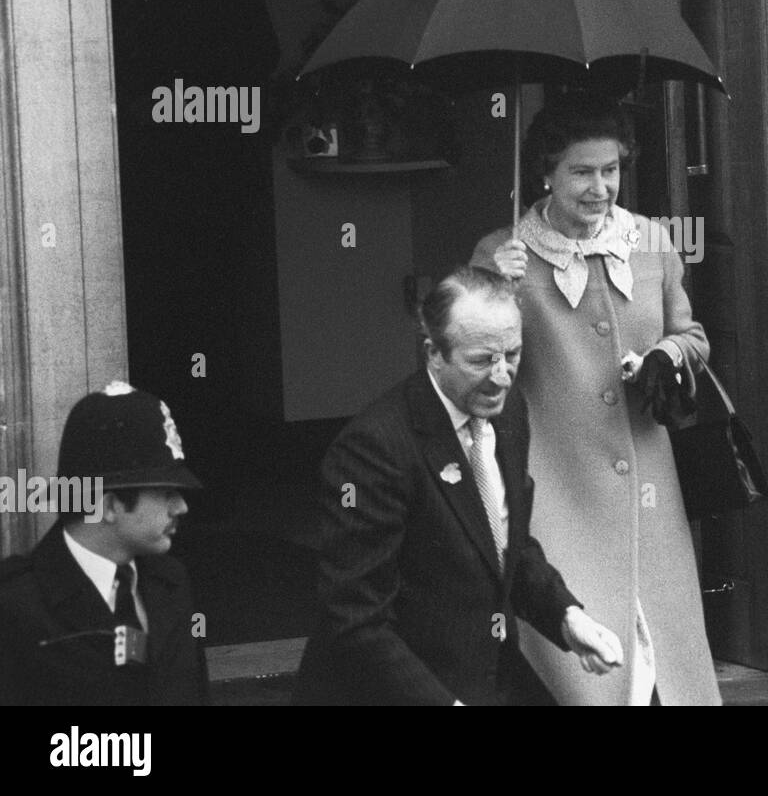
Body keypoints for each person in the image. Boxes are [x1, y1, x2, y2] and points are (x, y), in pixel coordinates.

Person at [473, 92, 722, 706]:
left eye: (610, 170)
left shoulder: (651, 241)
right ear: (546, 174)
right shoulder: (503, 252)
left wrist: (666, 356)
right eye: (582, 172)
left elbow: (691, 336)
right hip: (556, 484)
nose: (600, 186)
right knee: (580, 662)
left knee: (663, 661)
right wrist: (492, 289)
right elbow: (473, 364)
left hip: (650, 486)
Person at [294, 266, 624, 705]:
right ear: (434, 353)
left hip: (486, 673)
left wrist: (567, 617)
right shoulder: (375, 448)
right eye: (482, 360)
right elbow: (356, 617)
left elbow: (508, 547)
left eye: (513, 354)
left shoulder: (508, 414)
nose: (503, 376)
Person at [0, 382, 207, 706]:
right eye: (166, 492)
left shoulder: (170, 582)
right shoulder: (16, 607)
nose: (181, 506)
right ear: (108, 506)